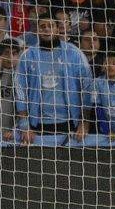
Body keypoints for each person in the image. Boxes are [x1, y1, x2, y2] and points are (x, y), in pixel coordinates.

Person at [14, 14, 93, 145]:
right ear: (38, 30)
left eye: (50, 26)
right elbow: (20, 90)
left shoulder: (74, 54)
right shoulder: (27, 56)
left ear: (57, 29)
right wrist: (24, 124)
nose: (46, 29)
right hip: (37, 125)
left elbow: (87, 87)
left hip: (69, 123)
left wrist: (84, 123)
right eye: (42, 26)